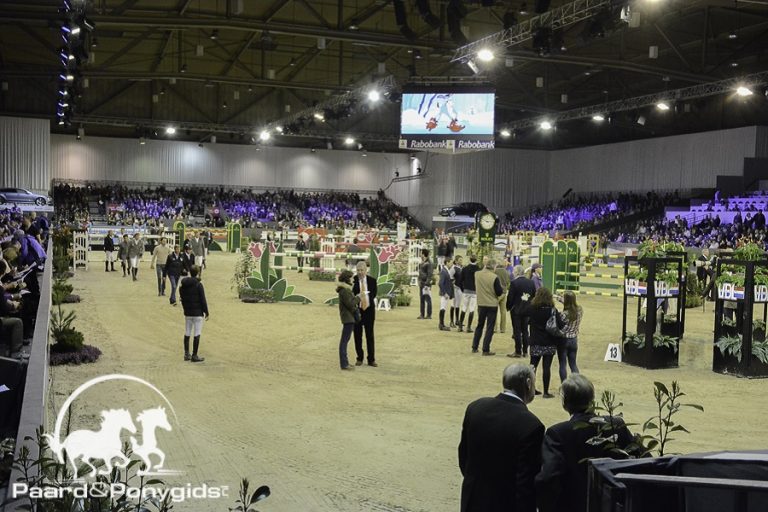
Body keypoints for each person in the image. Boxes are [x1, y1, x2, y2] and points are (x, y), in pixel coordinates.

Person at [535, 374, 635, 512]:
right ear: (592, 399)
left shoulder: (557, 433)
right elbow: (639, 460)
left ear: (564, 402)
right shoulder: (616, 425)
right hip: (612, 505)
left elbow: (548, 478)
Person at [459, 364, 543, 512]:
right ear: (528, 384)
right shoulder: (531, 425)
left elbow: (463, 457)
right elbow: (525, 482)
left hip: (473, 500)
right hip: (507, 504)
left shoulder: (475, 408)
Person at [520, 287, 565, 398]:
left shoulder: (532, 308)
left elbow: (522, 311)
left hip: (535, 341)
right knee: (546, 367)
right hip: (549, 342)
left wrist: (524, 299)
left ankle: (531, 389)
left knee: (533, 366)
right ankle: (545, 392)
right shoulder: (552, 310)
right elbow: (560, 324)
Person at [472, 258, 504, 355]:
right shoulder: (494, 277)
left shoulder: (477, 274)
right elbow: (499, 292)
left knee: (479, 325)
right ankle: (486, 349)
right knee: (490, 327)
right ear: (494, 267)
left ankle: (475, 346)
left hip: (481, 303)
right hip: (491, 304)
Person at [179, 265, 208, 362]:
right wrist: (206, 311)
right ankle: (194, 355)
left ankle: (186, 353)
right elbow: (203, 299)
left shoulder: (183, 285)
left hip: (188, 312)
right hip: (197, 312)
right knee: (197, 333)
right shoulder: (198, 285)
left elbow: (182, 298)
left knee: (187, 332)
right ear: (198, 272)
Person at [507, 265, 536, 358]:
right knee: (525, 331)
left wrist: (508, 307)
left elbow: (510, 298)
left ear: (517, 272)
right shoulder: (531, 282)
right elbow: (534, 296)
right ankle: (525, 352)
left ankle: (518, 351)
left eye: (514, 271)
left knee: (517, 331)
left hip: (516, 310)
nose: (513, 273)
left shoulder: (514, 283)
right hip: (528, 310)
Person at [352, 261, 377, 367]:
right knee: (357, 335)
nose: (360, 272)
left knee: (369, 335)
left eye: (362, 270)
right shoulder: (353, 280)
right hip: (357, 311)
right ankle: (359, 357)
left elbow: (374, 294)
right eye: (358, 270)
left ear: (366, 270)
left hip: (369, 311)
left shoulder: (372, 281)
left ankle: (371, 359)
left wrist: (365, 301)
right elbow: (352, 294)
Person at [556, 291, 582, 383]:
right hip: (574, 339)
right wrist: (559, 298)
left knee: (562, 364)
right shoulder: (579, 310)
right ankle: (578, 383)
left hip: (564, 340)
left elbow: (560, 325)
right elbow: (570, 303)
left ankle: (564, 384)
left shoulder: (564, 314)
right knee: (573, 364)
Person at [336, 269, 359, 371]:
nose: (353, 280)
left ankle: (345, 363)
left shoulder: (344, 289)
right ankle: (344, 364)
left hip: (347, 318)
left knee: (345, 341)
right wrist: (359, 298)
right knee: (344, 341)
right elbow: (350, 304)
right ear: (347, 279)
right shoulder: (345, 291)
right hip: (348, 318)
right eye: (351, 278)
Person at [459, 255, 479, 332]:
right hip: (474, 291)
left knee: (464, 308)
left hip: (466, 290)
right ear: (476, 260)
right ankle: (468, 327)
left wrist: (462, 289)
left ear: (469, 260)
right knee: (471, 309)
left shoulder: (465, 268)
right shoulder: (478, 269)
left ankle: (460, 326)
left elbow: (460, 280)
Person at [494, 260, 511, 334]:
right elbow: (508, 282)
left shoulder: (495, 271)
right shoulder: (506, 272)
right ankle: (502, 329)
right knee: (503, 312)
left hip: (496, 293)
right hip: (504, 293)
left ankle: (494, 328)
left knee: (494, 311)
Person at [438, 256, 454, 331]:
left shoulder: (445, 270)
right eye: (451, 262)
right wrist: (445, 293)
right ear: (447, 262)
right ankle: (441, 324)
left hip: (446, 292)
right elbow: (440, 283)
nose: (452, 264)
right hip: (444, 293)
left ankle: (442, 323)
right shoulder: (444, 271)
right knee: (442, 308)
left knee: (443, 308)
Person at [418, 248, 433, 320]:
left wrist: (427, 284)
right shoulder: (422, 262)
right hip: (421, 283)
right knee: (422, 299)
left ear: (423, 254)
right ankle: (422, 314)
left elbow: (430, 274)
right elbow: (420, 272)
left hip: (426, 283)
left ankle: (429, 314)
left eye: (421, 253)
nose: (420, 254)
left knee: (428, 299)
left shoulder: (429, 263)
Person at [450, 255, 464, 328]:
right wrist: (453, 282)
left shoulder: (462, 268)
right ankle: (451, 321)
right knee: (453, 304)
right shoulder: (453, 268)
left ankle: (457, 320)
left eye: (462, 260)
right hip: (455, 288)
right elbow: (450, 277)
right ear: (456, 261)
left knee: (458, 304)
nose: (461, 261)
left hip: (460, 289)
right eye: (460, 260)